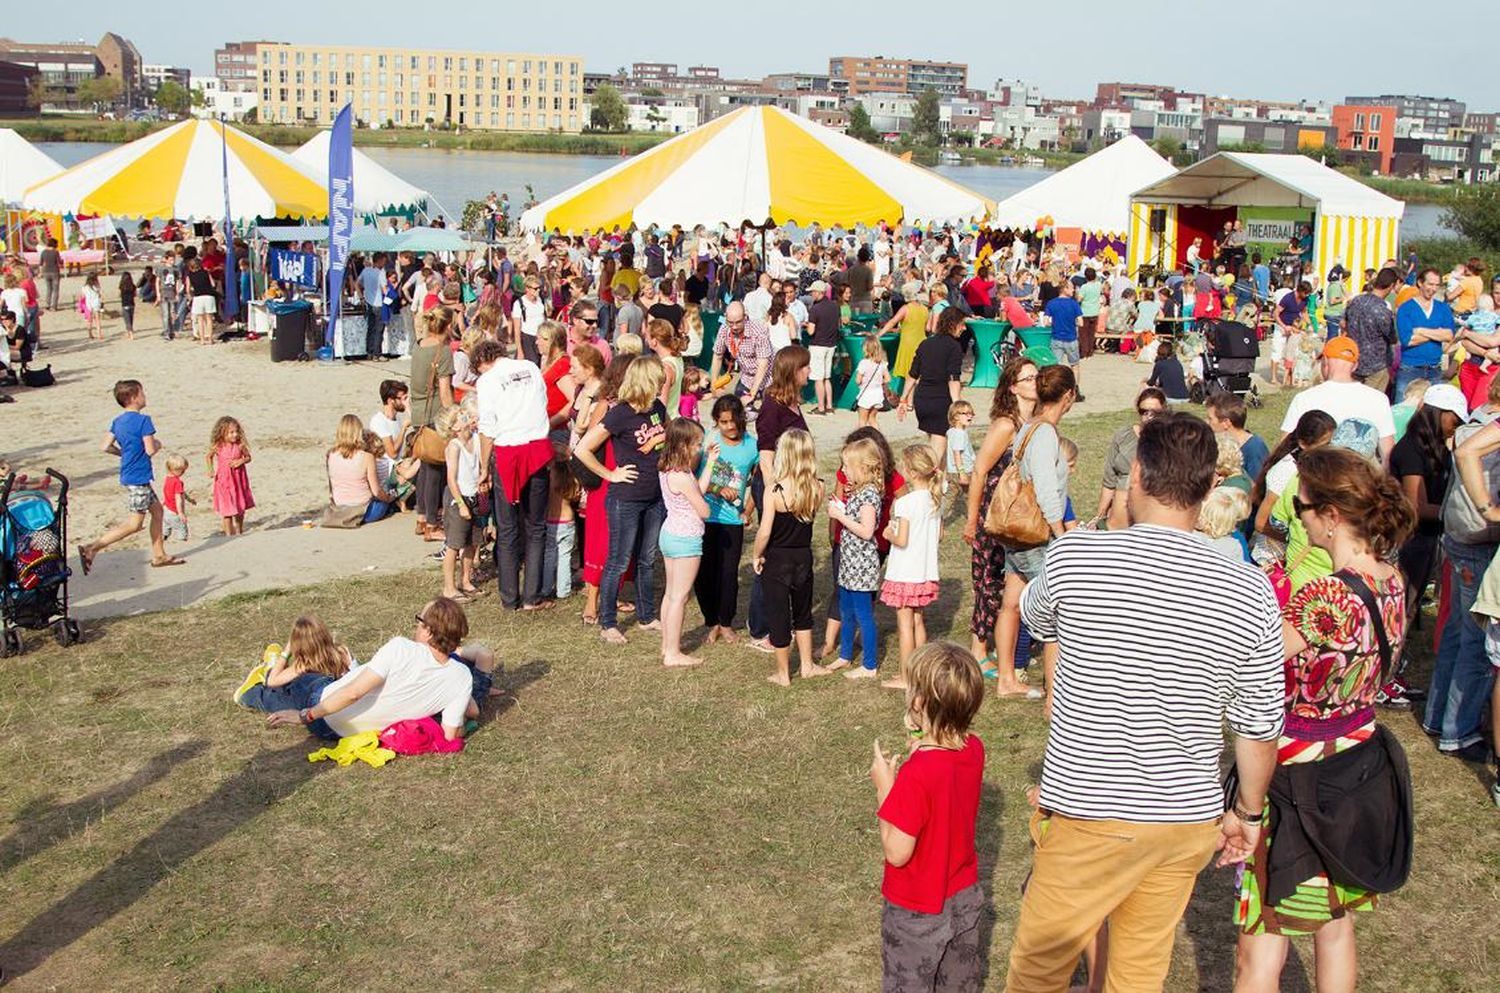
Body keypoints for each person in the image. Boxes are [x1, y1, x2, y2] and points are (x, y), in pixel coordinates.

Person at [1005, 413, 1284, 993]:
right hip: (1183, 818)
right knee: (1137, 974)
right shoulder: (1249, 587)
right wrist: (1249, 813)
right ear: (1209, 488)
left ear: (1136, 474)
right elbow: (1259, 726)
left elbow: (1034, 615)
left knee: (1038, 972)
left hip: (1089, 808)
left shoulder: (1077, 557)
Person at [1232, 447, 1415, 993]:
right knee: (1335, 923)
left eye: (1303, 506)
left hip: (1297, 775)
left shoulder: (1325, 595)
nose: (1296, 515)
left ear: (1332, 517)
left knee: (1261, 941)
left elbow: (1254, 660)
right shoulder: (1393, 580)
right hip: (1358, 762)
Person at [868, 642, 986, 993]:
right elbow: (946, 774)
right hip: (964, 896)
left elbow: (897, 851)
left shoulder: (917, 775)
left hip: (917, 910)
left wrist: (884, 789)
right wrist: (925, 742)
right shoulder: (974, 748)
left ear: (920, 702)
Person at [265, 599, 495, 742]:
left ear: (428, 631)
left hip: (323, 713)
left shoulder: (400, 648)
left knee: (296, 684)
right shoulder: (461, 677)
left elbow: (353, 692)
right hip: (344, 733)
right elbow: (450, 734)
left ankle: (262, 681)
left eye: (419, 620)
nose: (416, 625)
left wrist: (306, 715)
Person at [993, 365, 1076, 701]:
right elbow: (1045, 489)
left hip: (1016, 532)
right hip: (1037, 533)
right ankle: (1056, 692)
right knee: (1057, 615)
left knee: (1010, 604)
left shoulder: (1027, 427)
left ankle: (1006, 678)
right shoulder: (1045, 434)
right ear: (1067, 396)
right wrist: (1061, 534)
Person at [574, 354, 668, 645]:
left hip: (654, 497)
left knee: (647, 559)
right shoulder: (620, 413)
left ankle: (646, 616)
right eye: (658, 382)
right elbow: (583, 449)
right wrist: (610, 474)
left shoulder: (657, 408)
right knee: (617, 560)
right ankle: (608, 623)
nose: (662, 387)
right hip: (625, 499)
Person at [1425, 418, 1500, 760]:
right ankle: (1460, 732)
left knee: (1458, 632)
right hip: (1480, 543)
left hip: (1460, 537)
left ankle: (1438, 718)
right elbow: (1468, 454)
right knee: (1478, 644)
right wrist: (1490, 510)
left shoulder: (1479, 417)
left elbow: (1466, 451)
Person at [965, 359, 1039, 686]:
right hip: (992, 515)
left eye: (1037, 375)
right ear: (1013, 387)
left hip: (1017, 514)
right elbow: (979, 471)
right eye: (1029, 378)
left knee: (1007, 581)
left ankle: (998, 646)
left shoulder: (1034, 421)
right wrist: (971, 520)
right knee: (988, 581)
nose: (1036, 381)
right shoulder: (1006, 425)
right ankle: (979, 651)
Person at [473, 338, 554, 612]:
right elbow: (542, 402)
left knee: (507, 528)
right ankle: (531, 596)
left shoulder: (487, 381)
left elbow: (487, 427)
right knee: (535, 526)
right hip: (537, 447)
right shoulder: (530, 367)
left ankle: (510, 598)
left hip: (509, 450)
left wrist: (484, 466)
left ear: (483, 363)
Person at [751, 429, 831, 687]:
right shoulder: (818, 487)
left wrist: (756, 554)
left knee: (778, 616)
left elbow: (764, 532)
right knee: (803, 612)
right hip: (803, 557)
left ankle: (784, 673)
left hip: (777, 559)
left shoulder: (774, 491)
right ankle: (807, 665)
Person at [77, 380, 182, 574]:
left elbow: (105, 446)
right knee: (134, 524)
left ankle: (159, 554)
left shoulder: (118, 421)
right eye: (142, 393)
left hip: (130, 474)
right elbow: (150, 449)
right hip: (139, 476)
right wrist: (157, 444)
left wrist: (123, 453)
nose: (145, 396)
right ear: (133, 397)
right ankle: (92, 547)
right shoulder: (143, 421)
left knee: (158, 512)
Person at [879, 444, 944, 688]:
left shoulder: (906, 503)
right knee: (918, 622)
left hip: (905, 570)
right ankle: (922, 671)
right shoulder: (935, 499)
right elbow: (939, 535)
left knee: (904, 625)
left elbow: (902, 539)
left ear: (913, 472)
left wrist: (888, 533)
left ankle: (906, 677)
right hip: (924, 570)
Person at [696, 395, 758, 646]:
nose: (729, 427)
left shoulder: (753, 446)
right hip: (707, 516)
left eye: (733, 421)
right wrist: (717, 489)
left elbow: (760, 483)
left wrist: (748, 510)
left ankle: (726, 622)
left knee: (728, 573)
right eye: (723, 422)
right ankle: (711, 621)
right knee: (704, 573)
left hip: (732, 520)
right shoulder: (710, 442)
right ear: (716, 422)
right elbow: (697, 481)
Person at [657, 417, 716, 668]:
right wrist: (708, 508)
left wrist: (710, 463)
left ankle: (666, 645)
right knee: (680, 597)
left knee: (670, 594)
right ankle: (673, 652)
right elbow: (703, 510)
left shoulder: (671, 469)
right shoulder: (681, 475)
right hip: (686, 538)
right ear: (683, 445)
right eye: (696, 444)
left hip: (670, 533)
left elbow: (697, 490)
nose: (699, 449)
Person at [1279, 337, 1395, 461]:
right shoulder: (1378, 399)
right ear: (1355, 366)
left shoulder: (1304, 398)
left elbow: (1285, 448)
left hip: (1316, 475)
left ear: (1325, 361)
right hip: (1360, 476)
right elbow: (1387, 453)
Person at [827, 437, 885, 680]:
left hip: (861, 565)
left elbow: (867, 530)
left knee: (863, 614)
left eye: (847, 467)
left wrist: (840, 517)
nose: (843, 471)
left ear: (863, 468)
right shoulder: (859, 490)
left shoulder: (870, 495)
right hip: (850, 562)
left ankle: (869, 665)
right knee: (845, 609)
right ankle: (845, 654)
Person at [233, 614, 356, 724]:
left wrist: (286, 651)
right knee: (286, 685)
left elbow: (272, 682)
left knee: (278, 694)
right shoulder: (342, 652)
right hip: (336, 703)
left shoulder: (305, 664)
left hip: (312, 702)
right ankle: (271, 667)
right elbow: (356, 675)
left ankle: (266, 673)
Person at [1096, 389, 1167, 532]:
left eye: (1155, 412)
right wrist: (1099, 516)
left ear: (1164, 410)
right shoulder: (1123, 436)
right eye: (1144, 411)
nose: (1149, 417)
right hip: (1118, 516)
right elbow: (1109, 481)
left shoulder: (1171, 440)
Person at [438, 403, 484, 603]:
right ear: (454, 427)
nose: (465, 417)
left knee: (472, 542)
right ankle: (449, 587)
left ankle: (466, 580)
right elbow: (451, 478)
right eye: (460, 417)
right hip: (459, 498)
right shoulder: (454, 447)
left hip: (474, 495)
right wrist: (461, 503)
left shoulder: (475, 439)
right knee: (454, 544)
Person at [323, 414, 396, 526]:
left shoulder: (330, 455)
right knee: (390, 490)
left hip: (339, 508)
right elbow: (376, 491)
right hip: (364, 511)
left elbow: (331, 487)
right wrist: (388, 498)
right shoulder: (366, 457)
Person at [1394, 267, 1455, 397]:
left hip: (1434, 368)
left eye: (1436, 285)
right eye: (1430, 284)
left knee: (1431, 412)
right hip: (1410, 368)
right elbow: (1408, 340)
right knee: (1404, 409)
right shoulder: (1406, 308)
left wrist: (1421, 331)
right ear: (1420, 283)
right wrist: (1437, 333)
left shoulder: (1442, 308)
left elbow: (1449, 335)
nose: (1433, 289)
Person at [708, 301, 774, 403]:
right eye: (730, 322)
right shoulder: (724, 329)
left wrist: (752, 394)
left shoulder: (758, 331)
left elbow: (763, 365)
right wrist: (714, 385)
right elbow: (717, 356)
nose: (734, 327)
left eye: (738, 322)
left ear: (745, 317)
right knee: (737, 410)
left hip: (768, 378)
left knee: (770, 412)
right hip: (746, 377)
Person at [1206, 392, 1270, 484]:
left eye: (1210, 419)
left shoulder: (1254, 450)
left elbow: (1258, 490)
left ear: (1226, 423)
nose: (1207, 422)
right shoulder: (1219, 444)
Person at [207, 415, 254, 537]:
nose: (235, 435)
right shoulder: (218, 445)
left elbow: (248, 457)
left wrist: (241, 461)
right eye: (231, 432)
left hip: (238, 480)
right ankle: (228, 534)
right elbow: (208, 456)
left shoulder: (240, 445)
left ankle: (239, 530)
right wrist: (210, 469)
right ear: (222, 433)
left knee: (239, 507)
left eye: (236, 432)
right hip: (224, 481)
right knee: (226, 509)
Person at [1043, 279, 1085, 402]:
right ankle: (1075, 391)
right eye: (1071, 288)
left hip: (1056, 338)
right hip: (1071, 338)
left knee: (1056, 366)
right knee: (1075, 365)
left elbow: (1045, 322)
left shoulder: (1051, 303)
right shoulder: (1074, 304)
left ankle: (1057, 390)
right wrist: (1072, 321)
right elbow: (1081, 322)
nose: (1073, 290)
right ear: (1065, 289)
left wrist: (1055, 322)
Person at [881, 283, 930, 382]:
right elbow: (927, 328)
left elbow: (893, 321)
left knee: (909, 374)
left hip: (908, 344)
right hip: (922, 342)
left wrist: (879, 334)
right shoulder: (925, 309)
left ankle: (908, 397)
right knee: (918, 374)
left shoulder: (906, 308)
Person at [805, 280, 840, 414]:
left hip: (818, 345)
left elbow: (811, 331)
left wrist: (807, 324)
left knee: (819, 378)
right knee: (826, 377)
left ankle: (821, 407)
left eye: (813, 292)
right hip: (831, 345)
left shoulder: (815, 309)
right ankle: (829, 406)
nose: (812, 294)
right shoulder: (834, 306)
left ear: (819, 292)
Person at [853, 334, 890, 428]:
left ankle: (862, 439)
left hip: (866, 395)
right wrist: (879, 382)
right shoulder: (882, 363)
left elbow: (858, 380)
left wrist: (861, 382)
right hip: (878, 394)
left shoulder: (863, 363)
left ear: (866, 349)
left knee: (862, 420)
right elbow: (888, 378)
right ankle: (877, 438)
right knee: (872, 419)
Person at [511, 276, 548, 364]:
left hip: (541, 336)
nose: (538, 290)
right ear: (527, 289)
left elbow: (544, 318)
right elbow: (517, 329)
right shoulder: (519, 304)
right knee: (531, 364)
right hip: (527, 338)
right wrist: (520, 350)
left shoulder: (540, 300)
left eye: (539, 288)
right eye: (535, 288)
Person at [945, 400, 976, 506]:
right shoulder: (960, 434)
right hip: (964, 471)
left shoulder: (951, 431)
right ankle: (975, 518)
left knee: (950, 497)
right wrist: (962, 473)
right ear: (955, 416)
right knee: (971, 496)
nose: (970, 416)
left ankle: (938, 517)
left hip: (953, 471)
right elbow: (956, 454)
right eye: (966, 413)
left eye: (971, 413)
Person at [161, 454, 194, 541]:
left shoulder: (167, 479)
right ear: (174, 470)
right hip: (174, 511)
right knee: (181, 528)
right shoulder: (178, 482)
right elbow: (178, 498)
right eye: (182, 471)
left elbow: (180, 493)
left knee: (166, 527)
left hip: (166, 509)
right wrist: (180, 513)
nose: (183, 473)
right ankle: (182, 542)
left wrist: (189, 499)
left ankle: (163, 539)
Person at [185, 257, 217, 345]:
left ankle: (202, 340)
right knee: (209, 319)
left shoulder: (190, 275)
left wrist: (190, 297)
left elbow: (187, 289)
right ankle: (210, 339)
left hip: (198, 297)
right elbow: (213, 284)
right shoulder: (206, 272)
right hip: (208, 296)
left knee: (200, 319)